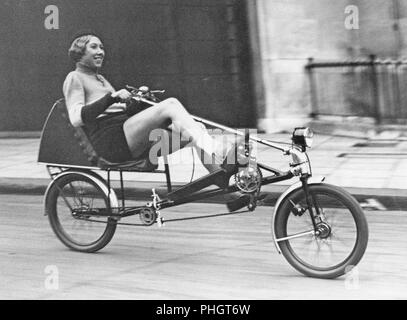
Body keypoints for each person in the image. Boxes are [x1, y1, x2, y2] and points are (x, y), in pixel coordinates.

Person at [63, 34, 250, 210]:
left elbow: (121, 113)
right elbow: (76, 118)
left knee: (193, 132)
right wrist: (112, 98)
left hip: (127, 136)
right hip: (112, 141)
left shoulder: (100, 78)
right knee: (170, 104)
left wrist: (136, 100)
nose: (100, 51)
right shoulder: (74, 77)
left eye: (102, 47)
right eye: (93, 47)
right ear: (79, 53)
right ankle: (216, 149)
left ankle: (227, 190)